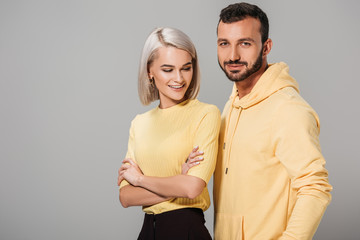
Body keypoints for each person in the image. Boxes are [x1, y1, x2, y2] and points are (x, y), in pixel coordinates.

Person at [213, 2, 332, 240]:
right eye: (224, 43)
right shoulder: (230, 106)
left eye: (245, 43)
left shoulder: (288, 109)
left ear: (266, 47)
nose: (233, 55)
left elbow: (315, 188)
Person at [117, 27, 220, 240]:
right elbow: (126, 197)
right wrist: (179, 180)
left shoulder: (206, 114)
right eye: (168, 69)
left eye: (186, 68)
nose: (179, 78)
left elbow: (192, 189)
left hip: (186, 229)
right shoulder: (139, 124)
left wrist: (140, 179)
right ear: (150, 72)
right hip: (148, 232)